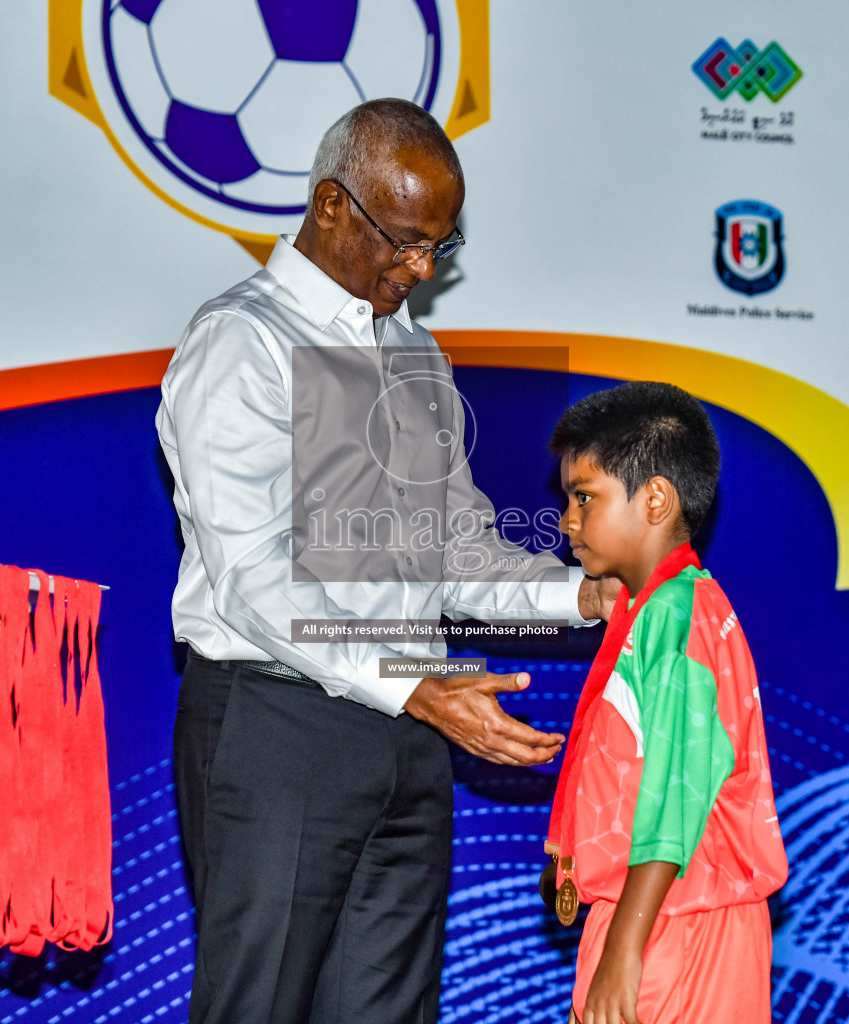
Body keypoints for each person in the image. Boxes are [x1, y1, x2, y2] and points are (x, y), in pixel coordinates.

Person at [156, 98, 618, 1024]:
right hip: (279, 720)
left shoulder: (414, 351)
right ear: (331, 204)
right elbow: (252, 574)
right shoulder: (243, 339)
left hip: (410, 722)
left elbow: (451, 550)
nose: (417, 269)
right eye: (403, 241)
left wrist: (589, 595)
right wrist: (412, 686)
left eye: (437, 249)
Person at [545, 381, 788, 1024]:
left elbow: (676, 793)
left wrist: (626, 947)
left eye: (584, 497)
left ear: (656, 498)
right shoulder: (644, 610)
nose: (567, 520)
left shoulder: (680, 615)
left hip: (678, 921)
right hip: (649, 910)